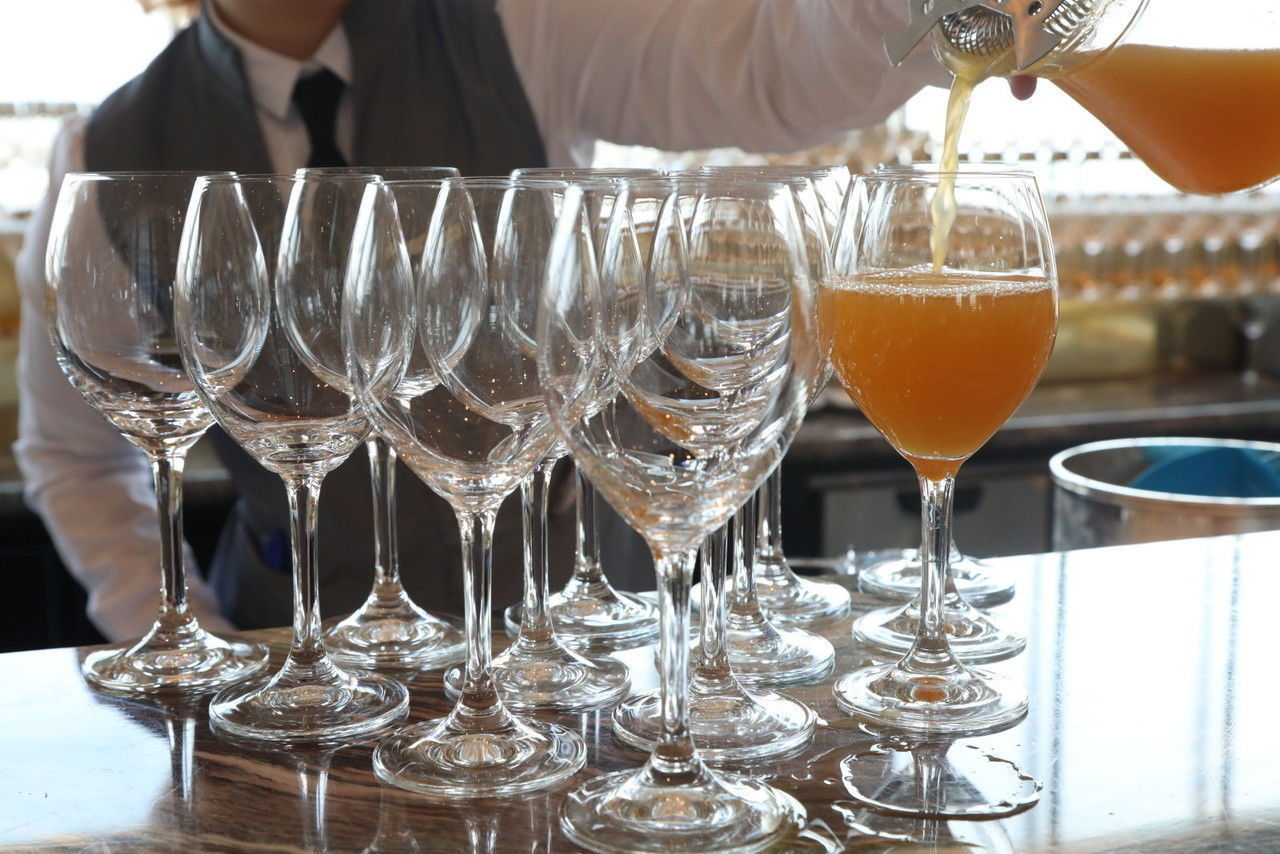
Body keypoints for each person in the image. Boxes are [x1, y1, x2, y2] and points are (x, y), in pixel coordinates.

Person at [16, 0, 950, 642]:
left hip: (578, 639)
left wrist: (932, 9)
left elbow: (773, 71)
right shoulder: (106, 148)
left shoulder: (521, 24)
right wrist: (186, 636)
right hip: (301, 658)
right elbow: (76, 458)